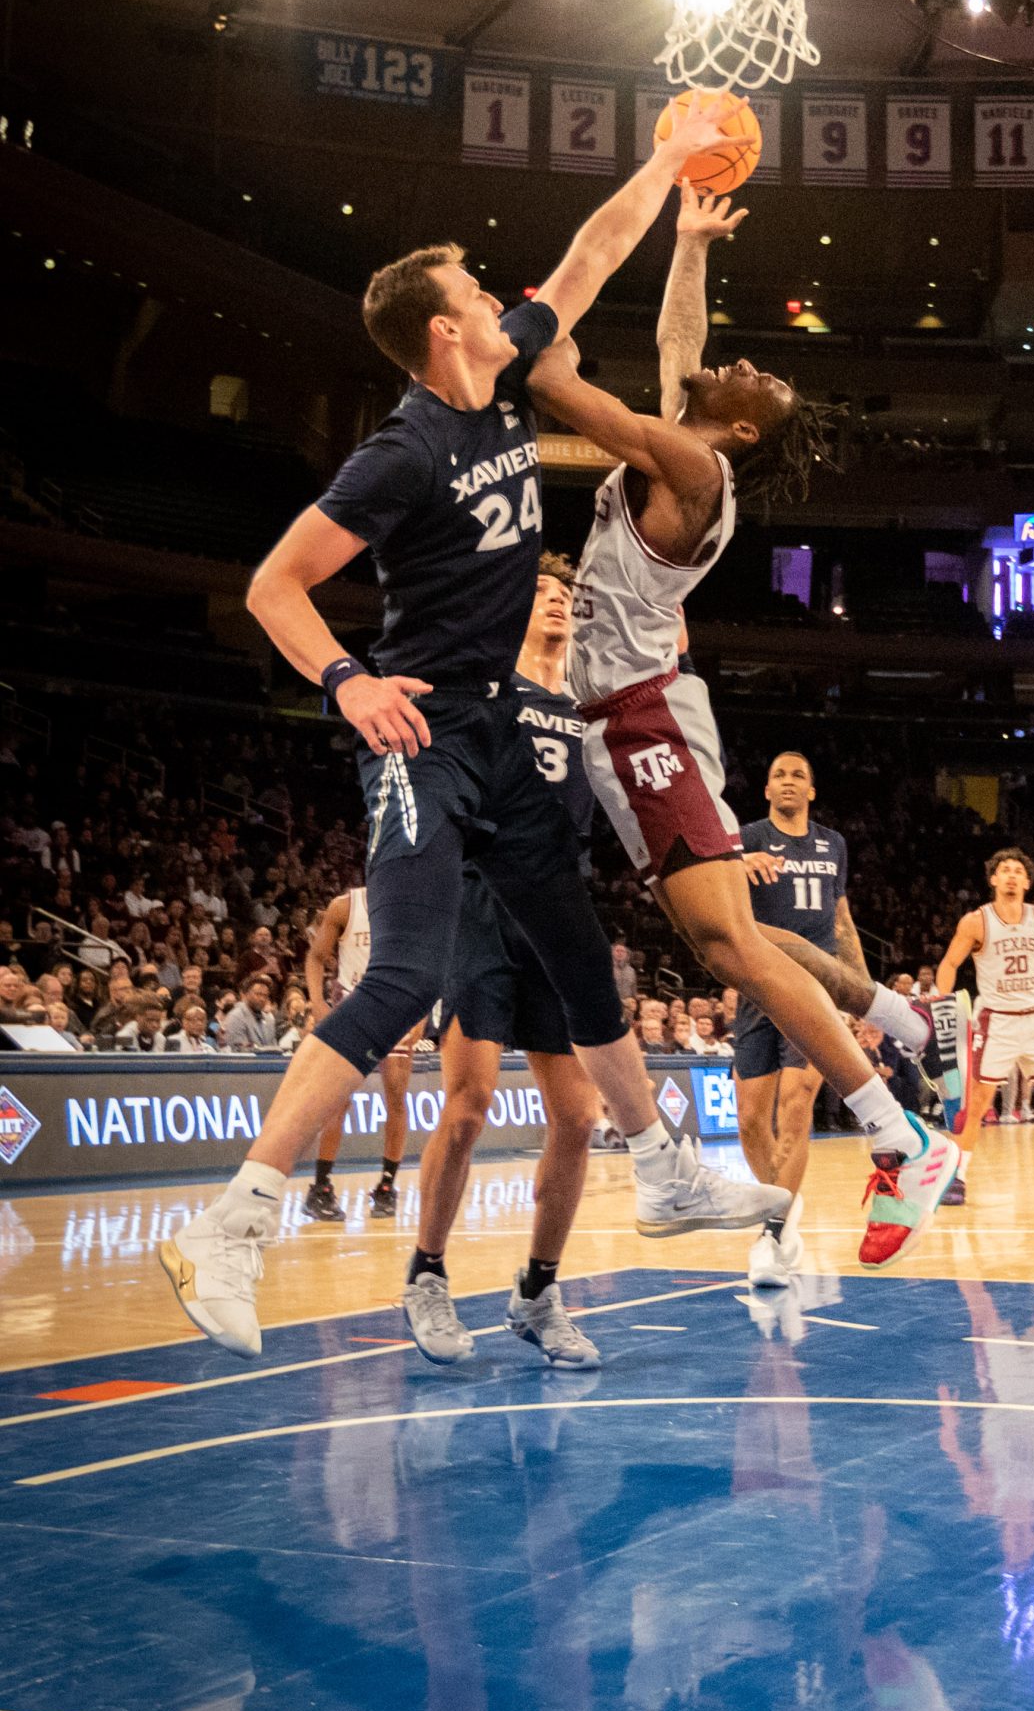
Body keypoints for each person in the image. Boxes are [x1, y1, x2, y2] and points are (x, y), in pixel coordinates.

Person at [160, 116, 782, 1361]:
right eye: (481, 299)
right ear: (446, 329)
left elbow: (591, 256)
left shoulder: (501, 373)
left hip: (504, 732)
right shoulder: (399, 453)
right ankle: (231, 1223)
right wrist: (345, 681)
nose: (510, 304)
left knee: (578, 955)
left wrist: (667, 164)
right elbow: (275, 586)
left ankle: (660, 1168)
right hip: (424, 735)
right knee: (397, 980)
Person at [528, 188, 958, 1270]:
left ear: (745, 424)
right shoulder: (692, 441)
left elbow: (552, 381)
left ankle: (898, 1130)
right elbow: (682, 342)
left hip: (643, 717)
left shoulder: (694, 466)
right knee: (735, 941)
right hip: (615, 722)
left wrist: (545, 306)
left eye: (756, 376)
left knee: (731, 943)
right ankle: (902, 1042)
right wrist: (686, 242)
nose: (742, 362)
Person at [403, 555, 612, 1368]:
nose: (557, 602)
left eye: (567, 594)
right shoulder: (486, 683)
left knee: (580, 1118)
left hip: (559, 909)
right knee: (468, 1104)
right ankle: (426, 1272)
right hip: (482, 904)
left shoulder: (591, 702)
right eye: (542, 591)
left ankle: (538, 1292)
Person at [731, 749, 857, 1285]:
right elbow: (714, 896)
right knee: (750, 1118)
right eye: (777, 774)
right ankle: (782, 1208)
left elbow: (844, 921)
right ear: (766, 790)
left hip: (815, 989)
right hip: (759, 983)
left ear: (811, 791)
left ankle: (775, 1228)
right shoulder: (747, 838)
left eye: (797, 775)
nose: (787, 781)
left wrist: (859, 991)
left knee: (797, 1103)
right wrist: (735, 865)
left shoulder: (835, 844)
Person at [934, 848, 1034, 1206]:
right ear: (993, 879)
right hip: (996, 1021)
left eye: (1019, 871)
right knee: (976, 1103)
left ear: (1027, 882)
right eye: (1005, 870)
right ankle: (956, 1176)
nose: (1012, 876)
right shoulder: (976, 921)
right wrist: (941, 1002)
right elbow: (949, 963)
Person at [301, 886, 418, 1223]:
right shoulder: (345, 905)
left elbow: (424, 963)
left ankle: (386, 1186)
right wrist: (317, 1002)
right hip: (353, 1001)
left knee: (396, 1094)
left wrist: (422, 1013)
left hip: (396, 1005)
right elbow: (315, 956)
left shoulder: (409, 904)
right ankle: (320, 1187)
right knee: (338, 1099)